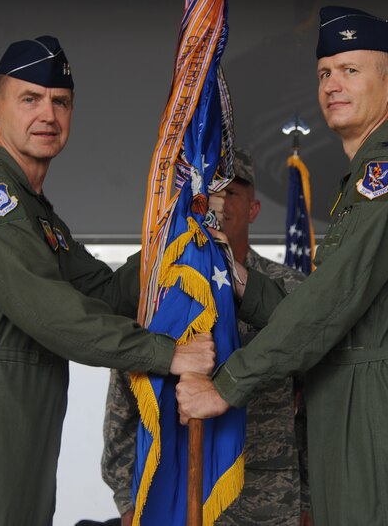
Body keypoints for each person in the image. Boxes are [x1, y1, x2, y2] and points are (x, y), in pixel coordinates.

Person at [0, 35, 215, 526]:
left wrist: (174, 233)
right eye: (30, 99)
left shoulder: (34, 211)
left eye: (60, 102)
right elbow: (49, 312)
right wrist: (166, 354)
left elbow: (104, 295)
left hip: (18, 426)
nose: (48, 114)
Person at [176, 7, 388, 525]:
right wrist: (235, 275)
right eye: (324, 73)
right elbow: (333, 304)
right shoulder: (362, 178)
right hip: (354, 406)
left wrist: (225, 387)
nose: (333, 84)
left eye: (351, 70)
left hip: (384, 409)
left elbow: (332, 301)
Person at [101, 149, 313, 526]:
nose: (219, 200)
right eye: (210, 189)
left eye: (232, 191)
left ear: (253, 209)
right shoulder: (162, 290)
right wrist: (127, 500)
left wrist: (309, 501)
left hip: (270, 500)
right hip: (178, 493)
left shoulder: (292, 289)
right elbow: (125, 400)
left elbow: (313, 404)